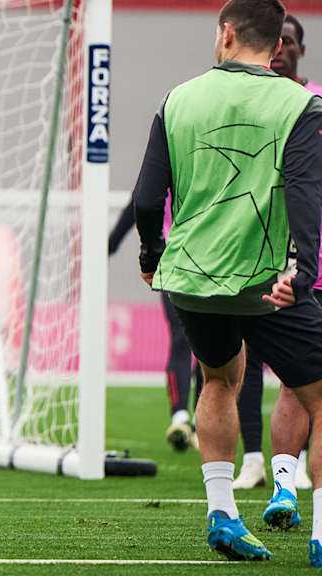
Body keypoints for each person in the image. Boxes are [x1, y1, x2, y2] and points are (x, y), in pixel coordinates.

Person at [135, 0, 322, 563]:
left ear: (226, 33)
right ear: (277, 43)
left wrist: (151, 253)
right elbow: (306, 194)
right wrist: (306, 273)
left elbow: (148, 197)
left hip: (191, 278)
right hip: (266, 282)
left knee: (218, 379)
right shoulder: (302, 104)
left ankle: (222, 512)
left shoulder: (179, 98)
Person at [230, 13, 319, 492]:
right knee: (239, 367)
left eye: (290, 41)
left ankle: (292, 471)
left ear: (301, 50)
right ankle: (251, 459)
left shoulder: (316, 103)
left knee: (297, 377)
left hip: (310, 261)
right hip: (252, 255)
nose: (281, 48)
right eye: (276, 40)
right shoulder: (246, 102)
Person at [108, 194, 203, 452]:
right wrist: (110, 244)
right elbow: (141, 201)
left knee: (208, 343)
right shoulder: (166, 161)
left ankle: (199, 419)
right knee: (183, 338)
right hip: (175, 265)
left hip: (209, 261)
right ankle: (181, 418)